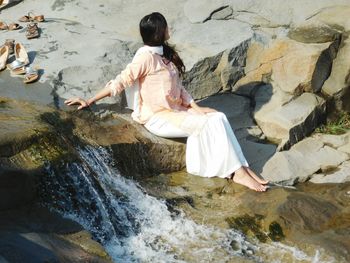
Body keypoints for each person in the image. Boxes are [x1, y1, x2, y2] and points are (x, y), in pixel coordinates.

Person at [65, 12, 268, 192]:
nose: (170, 29)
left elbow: (179, 88)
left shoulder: (164, 54)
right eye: (166, 27)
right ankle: (236, 173)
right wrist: (90, 100)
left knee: (218, 116)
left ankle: (242, 166)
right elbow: (121, 81)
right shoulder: (145, 58)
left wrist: (196, 107)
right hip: (158, 118)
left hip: (176, 110)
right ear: (158, 33)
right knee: (211, 122)